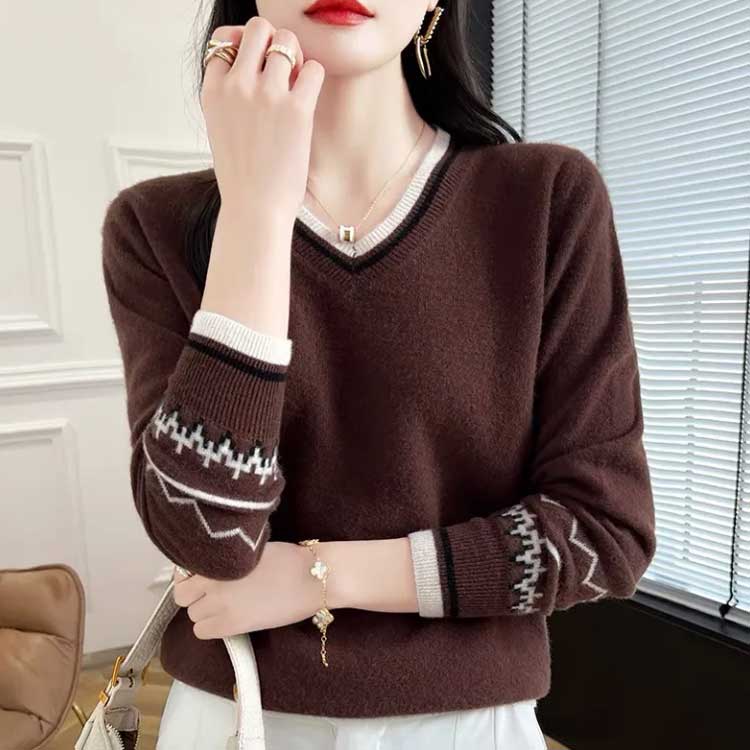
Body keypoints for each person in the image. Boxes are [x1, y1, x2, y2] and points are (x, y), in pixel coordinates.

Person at [100, 1, 657, 748]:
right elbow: (207, 537)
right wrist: (256, 214)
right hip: (239, 718)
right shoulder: (154, 226)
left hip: (467, 725)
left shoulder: (547, 198)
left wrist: (320, 577)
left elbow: (603, 534)